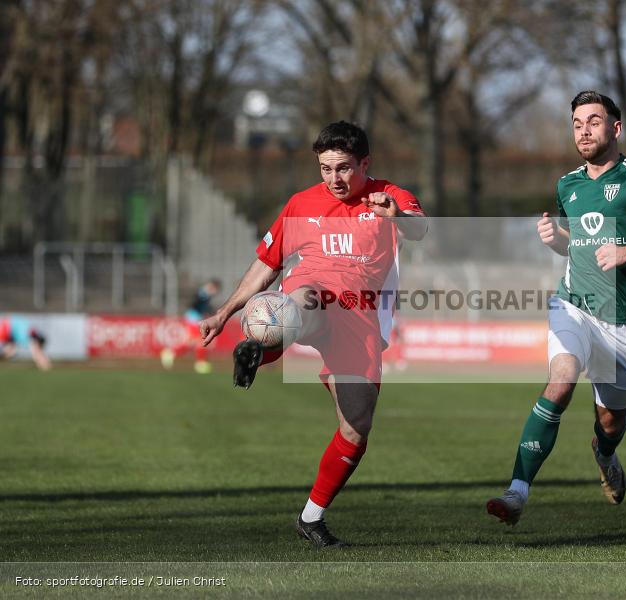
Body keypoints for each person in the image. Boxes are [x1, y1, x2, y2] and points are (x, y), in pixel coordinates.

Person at [198, 121, 427, 548]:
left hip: (359, 321)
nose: (334, 179)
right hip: (314, 296)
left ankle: (311, 517)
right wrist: (225, 312)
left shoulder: (388, 195)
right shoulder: (301, 203)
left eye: (343, 168)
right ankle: (259, 350)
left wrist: (395, 217)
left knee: (356, 428)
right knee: (304, 299)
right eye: (325, 169)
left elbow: (419, 228)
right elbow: (268, 264)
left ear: (365, 163)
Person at [486, 91, 626, 525]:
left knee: (611, 422)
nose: (583, 130)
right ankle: (516, 492)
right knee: (560, 383)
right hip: (572, 304)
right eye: (577, 123)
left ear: (615, 128)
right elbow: (579, 249)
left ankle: (604, 454)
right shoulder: (568, 185)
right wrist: (555, 241)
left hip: (624, 320)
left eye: (593, 121)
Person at [160, 278, 222, 373]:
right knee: (199, 341)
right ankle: (199, 363)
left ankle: (173, 354)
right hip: (193, 319)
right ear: (213, 287)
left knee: (194, 342)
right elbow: (195, 304)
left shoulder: (205, 294)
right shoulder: (203, 293)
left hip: (196, 319)